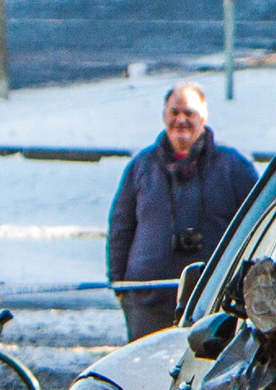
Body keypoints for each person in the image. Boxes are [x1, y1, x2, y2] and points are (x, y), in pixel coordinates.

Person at [106, 83, 257, 340]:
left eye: (189, 113)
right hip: (147, 303)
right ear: (164, 115)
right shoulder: (141, 167)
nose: (181, 120)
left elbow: (257, 225)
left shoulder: (234, 167)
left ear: (204, 117)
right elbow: (121, 227)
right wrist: (120, 286)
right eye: (174, 112)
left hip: (213, 302)